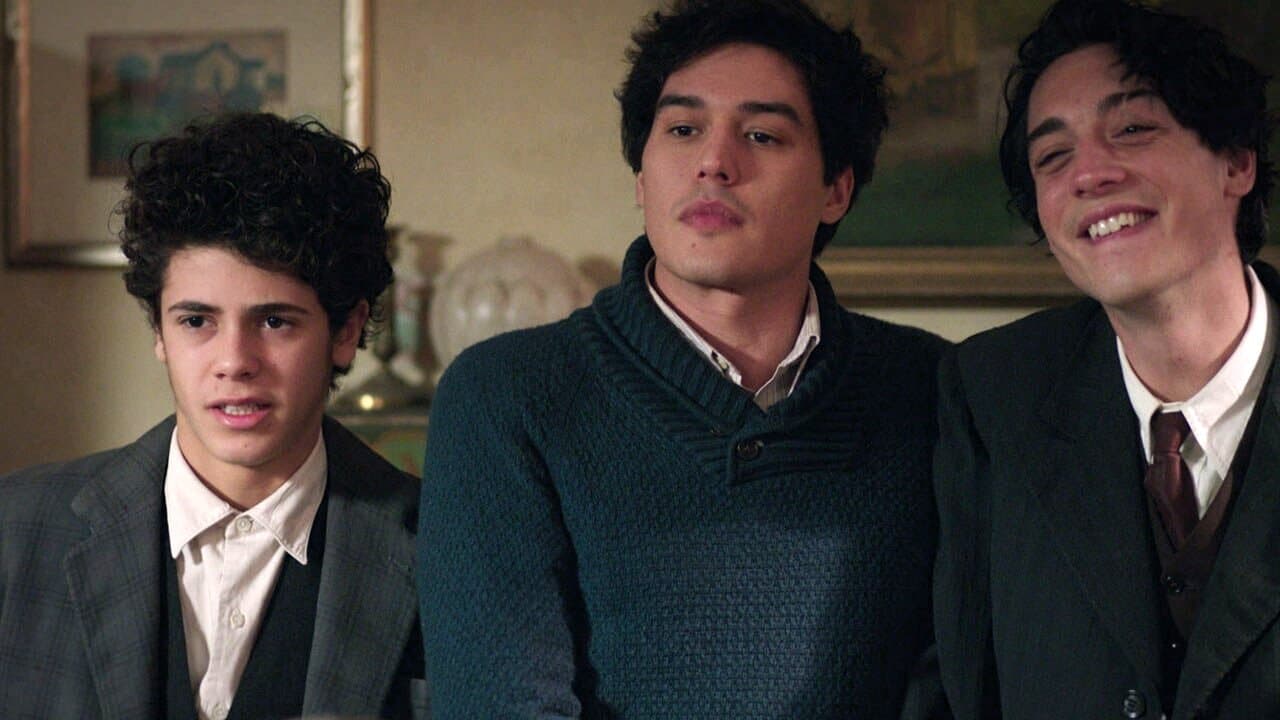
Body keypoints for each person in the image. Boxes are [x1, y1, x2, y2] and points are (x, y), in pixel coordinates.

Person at [418, 0, 949, 717]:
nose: (714, 163)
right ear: (641, 177)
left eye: (761, 134)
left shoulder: (933, 389)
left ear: (836, 190)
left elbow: (959, 680)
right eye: (683, 129)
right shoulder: (508, 394)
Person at [0, 113, 427, 719]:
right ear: (159, 331)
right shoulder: (16, 530)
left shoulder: (437, 547)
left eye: (274, 321)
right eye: (197, 321)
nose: (234, 362)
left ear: (346, 331)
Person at [932, 0, 1276, 717]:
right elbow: (964, 687)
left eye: (1132, 130)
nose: (1089, 174)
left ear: (1236, 162)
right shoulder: (993, 393)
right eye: (1053, 157)